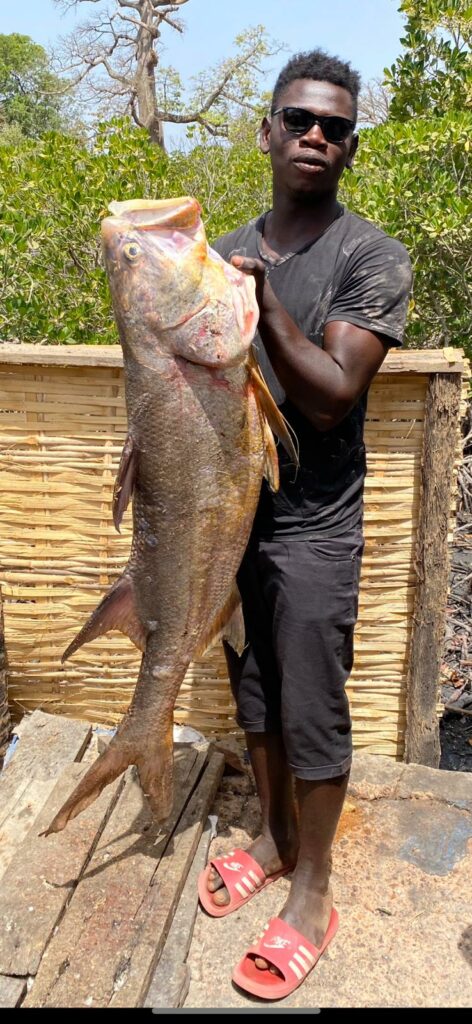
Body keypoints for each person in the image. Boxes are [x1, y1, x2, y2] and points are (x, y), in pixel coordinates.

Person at [197, 48, 412, 999]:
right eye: (300, 120)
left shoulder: (370, 256)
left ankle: (313, 893)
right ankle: (277, 843)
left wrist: (265, 305)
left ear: (351, 148)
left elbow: (330, 396)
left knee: (314, 706)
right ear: (267, 132)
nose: (316, 136)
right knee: (253, 692)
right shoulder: (224, 247)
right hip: (232, 513)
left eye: (335, 127)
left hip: (316, 522)